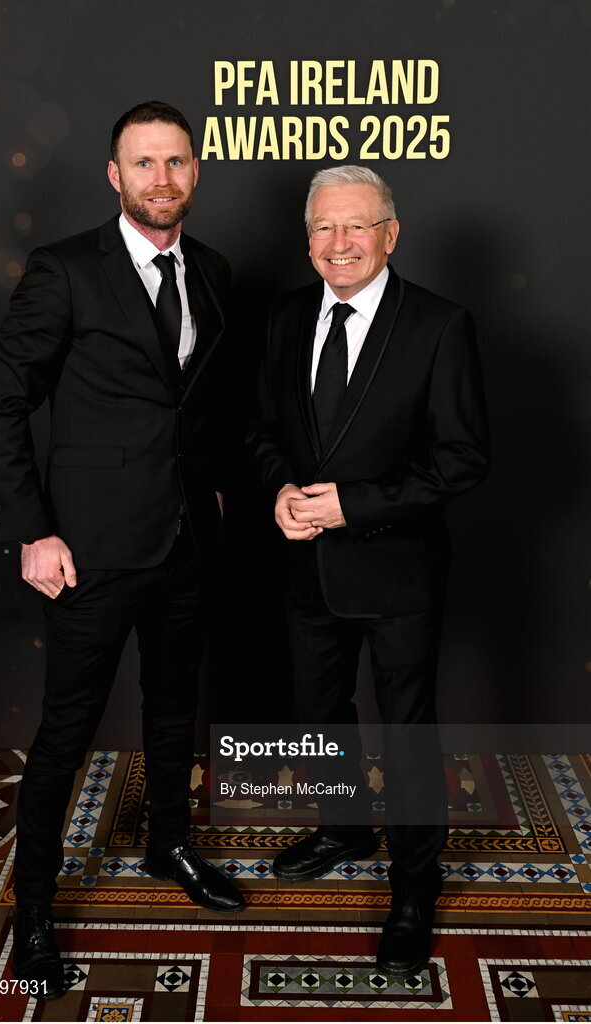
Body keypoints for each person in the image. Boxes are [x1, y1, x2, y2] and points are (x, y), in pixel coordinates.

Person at [0, 100, 244, 1001]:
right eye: (143, 164)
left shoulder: (211, 272)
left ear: (196, 170)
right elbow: (6, 403)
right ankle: (38, 912)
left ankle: (169, 842)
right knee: (65, 736)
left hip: (186, 543)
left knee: (177, 712)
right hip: (86, 551)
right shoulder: (63, 271)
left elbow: (197, 404)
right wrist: (31, 531)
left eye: (176, 162)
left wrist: (212, 486)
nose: (161, 179)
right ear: (115, 175)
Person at [248, 165, 489, 976]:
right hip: (306, 565)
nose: (339, 243)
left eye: (356, 226)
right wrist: (279, 485)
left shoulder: (438, 324)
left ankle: (415, 888)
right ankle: (343, 823)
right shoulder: (283, 320)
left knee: (407, 732)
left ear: (391, 234)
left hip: (397, 570)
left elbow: (463, 459)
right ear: (306, 238)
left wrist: (356, 504)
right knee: (318, 709)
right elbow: (260, 430)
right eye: (323, 227)